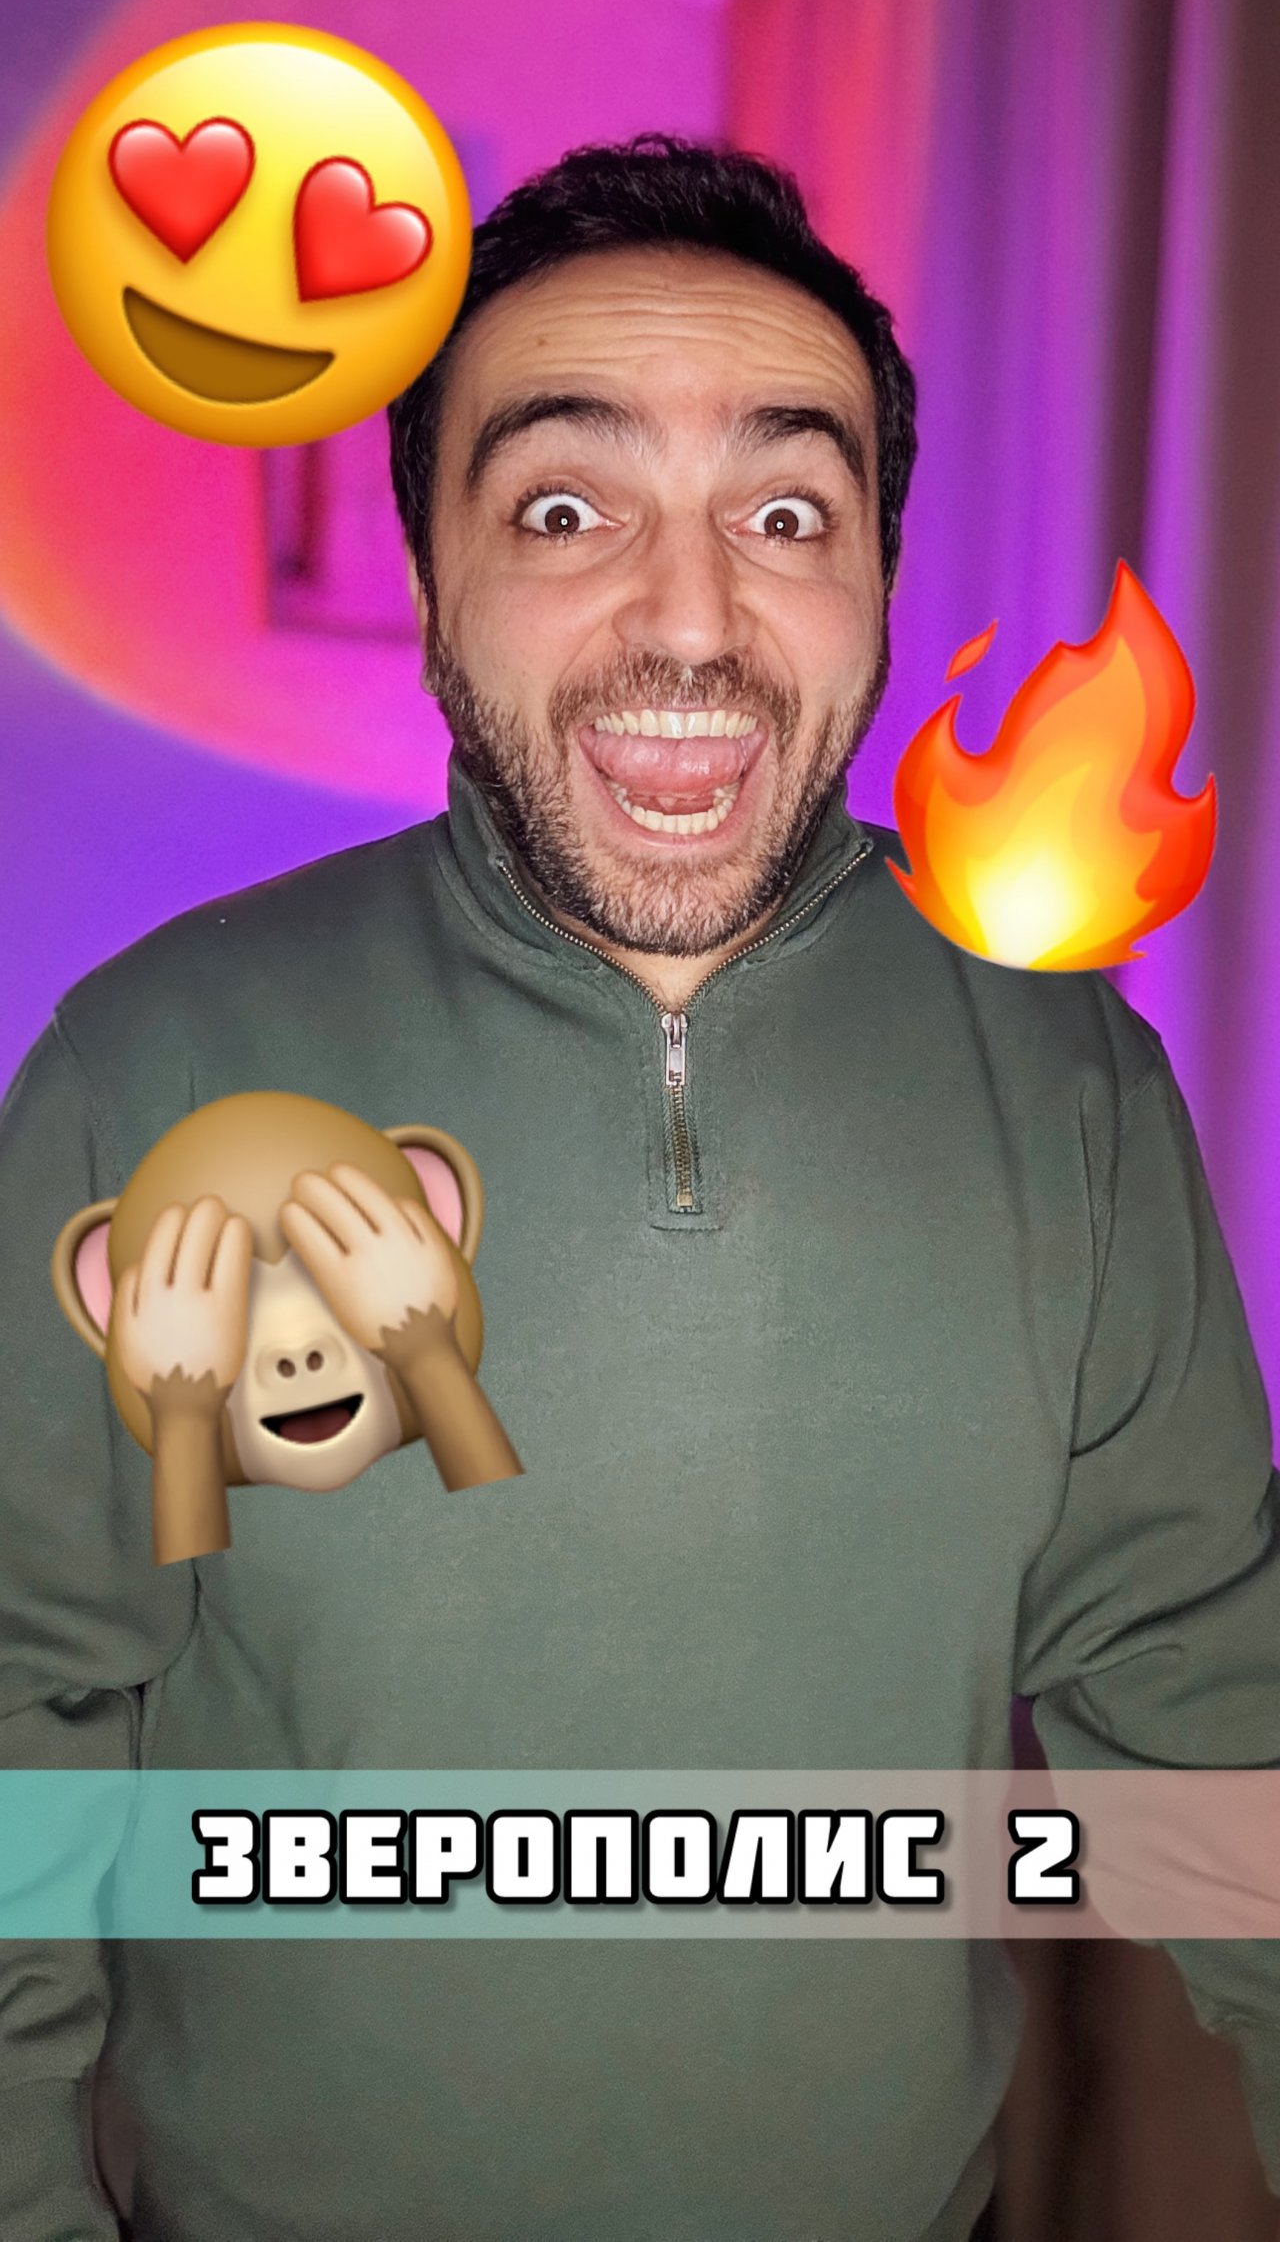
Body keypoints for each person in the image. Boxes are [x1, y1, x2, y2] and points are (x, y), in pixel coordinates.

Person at [1, 131, 1278, 2242]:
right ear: (433, 586)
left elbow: (1218, 1713)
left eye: (784, 514)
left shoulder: (1073, 1086)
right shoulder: (150, 1067)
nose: (690, 621)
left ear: (878, 584)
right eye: (564, 508)